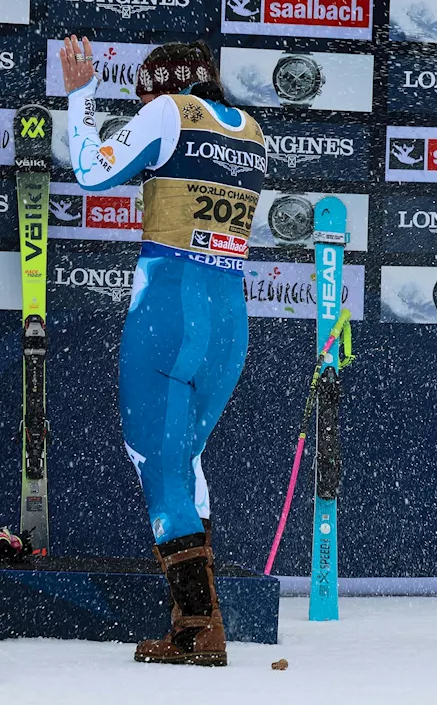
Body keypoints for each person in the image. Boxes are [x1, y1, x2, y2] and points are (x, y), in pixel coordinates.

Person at [59, 36, 266, 666]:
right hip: (231, 317)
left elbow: (92, 171)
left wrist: (78, 95)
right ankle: (202, 617)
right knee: (186, 457)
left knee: (158, 459)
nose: (139, 104)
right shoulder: (250, 128)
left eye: (140, 93)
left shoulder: (167, 110)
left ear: (161, 86)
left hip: (170, 310)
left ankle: (197, 629)